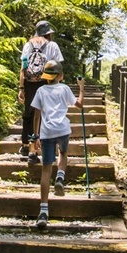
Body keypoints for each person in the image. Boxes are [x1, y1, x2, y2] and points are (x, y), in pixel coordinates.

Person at [29, 61, 81, 230]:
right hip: (63, 130)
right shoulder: (65, 89)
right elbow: (79, 105)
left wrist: (35, 136)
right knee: (63, 153)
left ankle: (43, 211)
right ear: (61, 76)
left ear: (45, 76)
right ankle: (60, 177)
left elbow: (36, 116)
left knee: (45, 170)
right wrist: (81, 88)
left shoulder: (40, 91)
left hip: (47, 132)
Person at [18, 20, 62, 159]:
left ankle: (26, 146)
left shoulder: (28, 45)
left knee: (29, 114)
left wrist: (21, 88)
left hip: (29, 82)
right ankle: (40, 149)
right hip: (46, 81)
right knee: (43, 115)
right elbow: (58, 68)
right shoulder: (52, 45)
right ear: (48, 33)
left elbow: (23, 68)